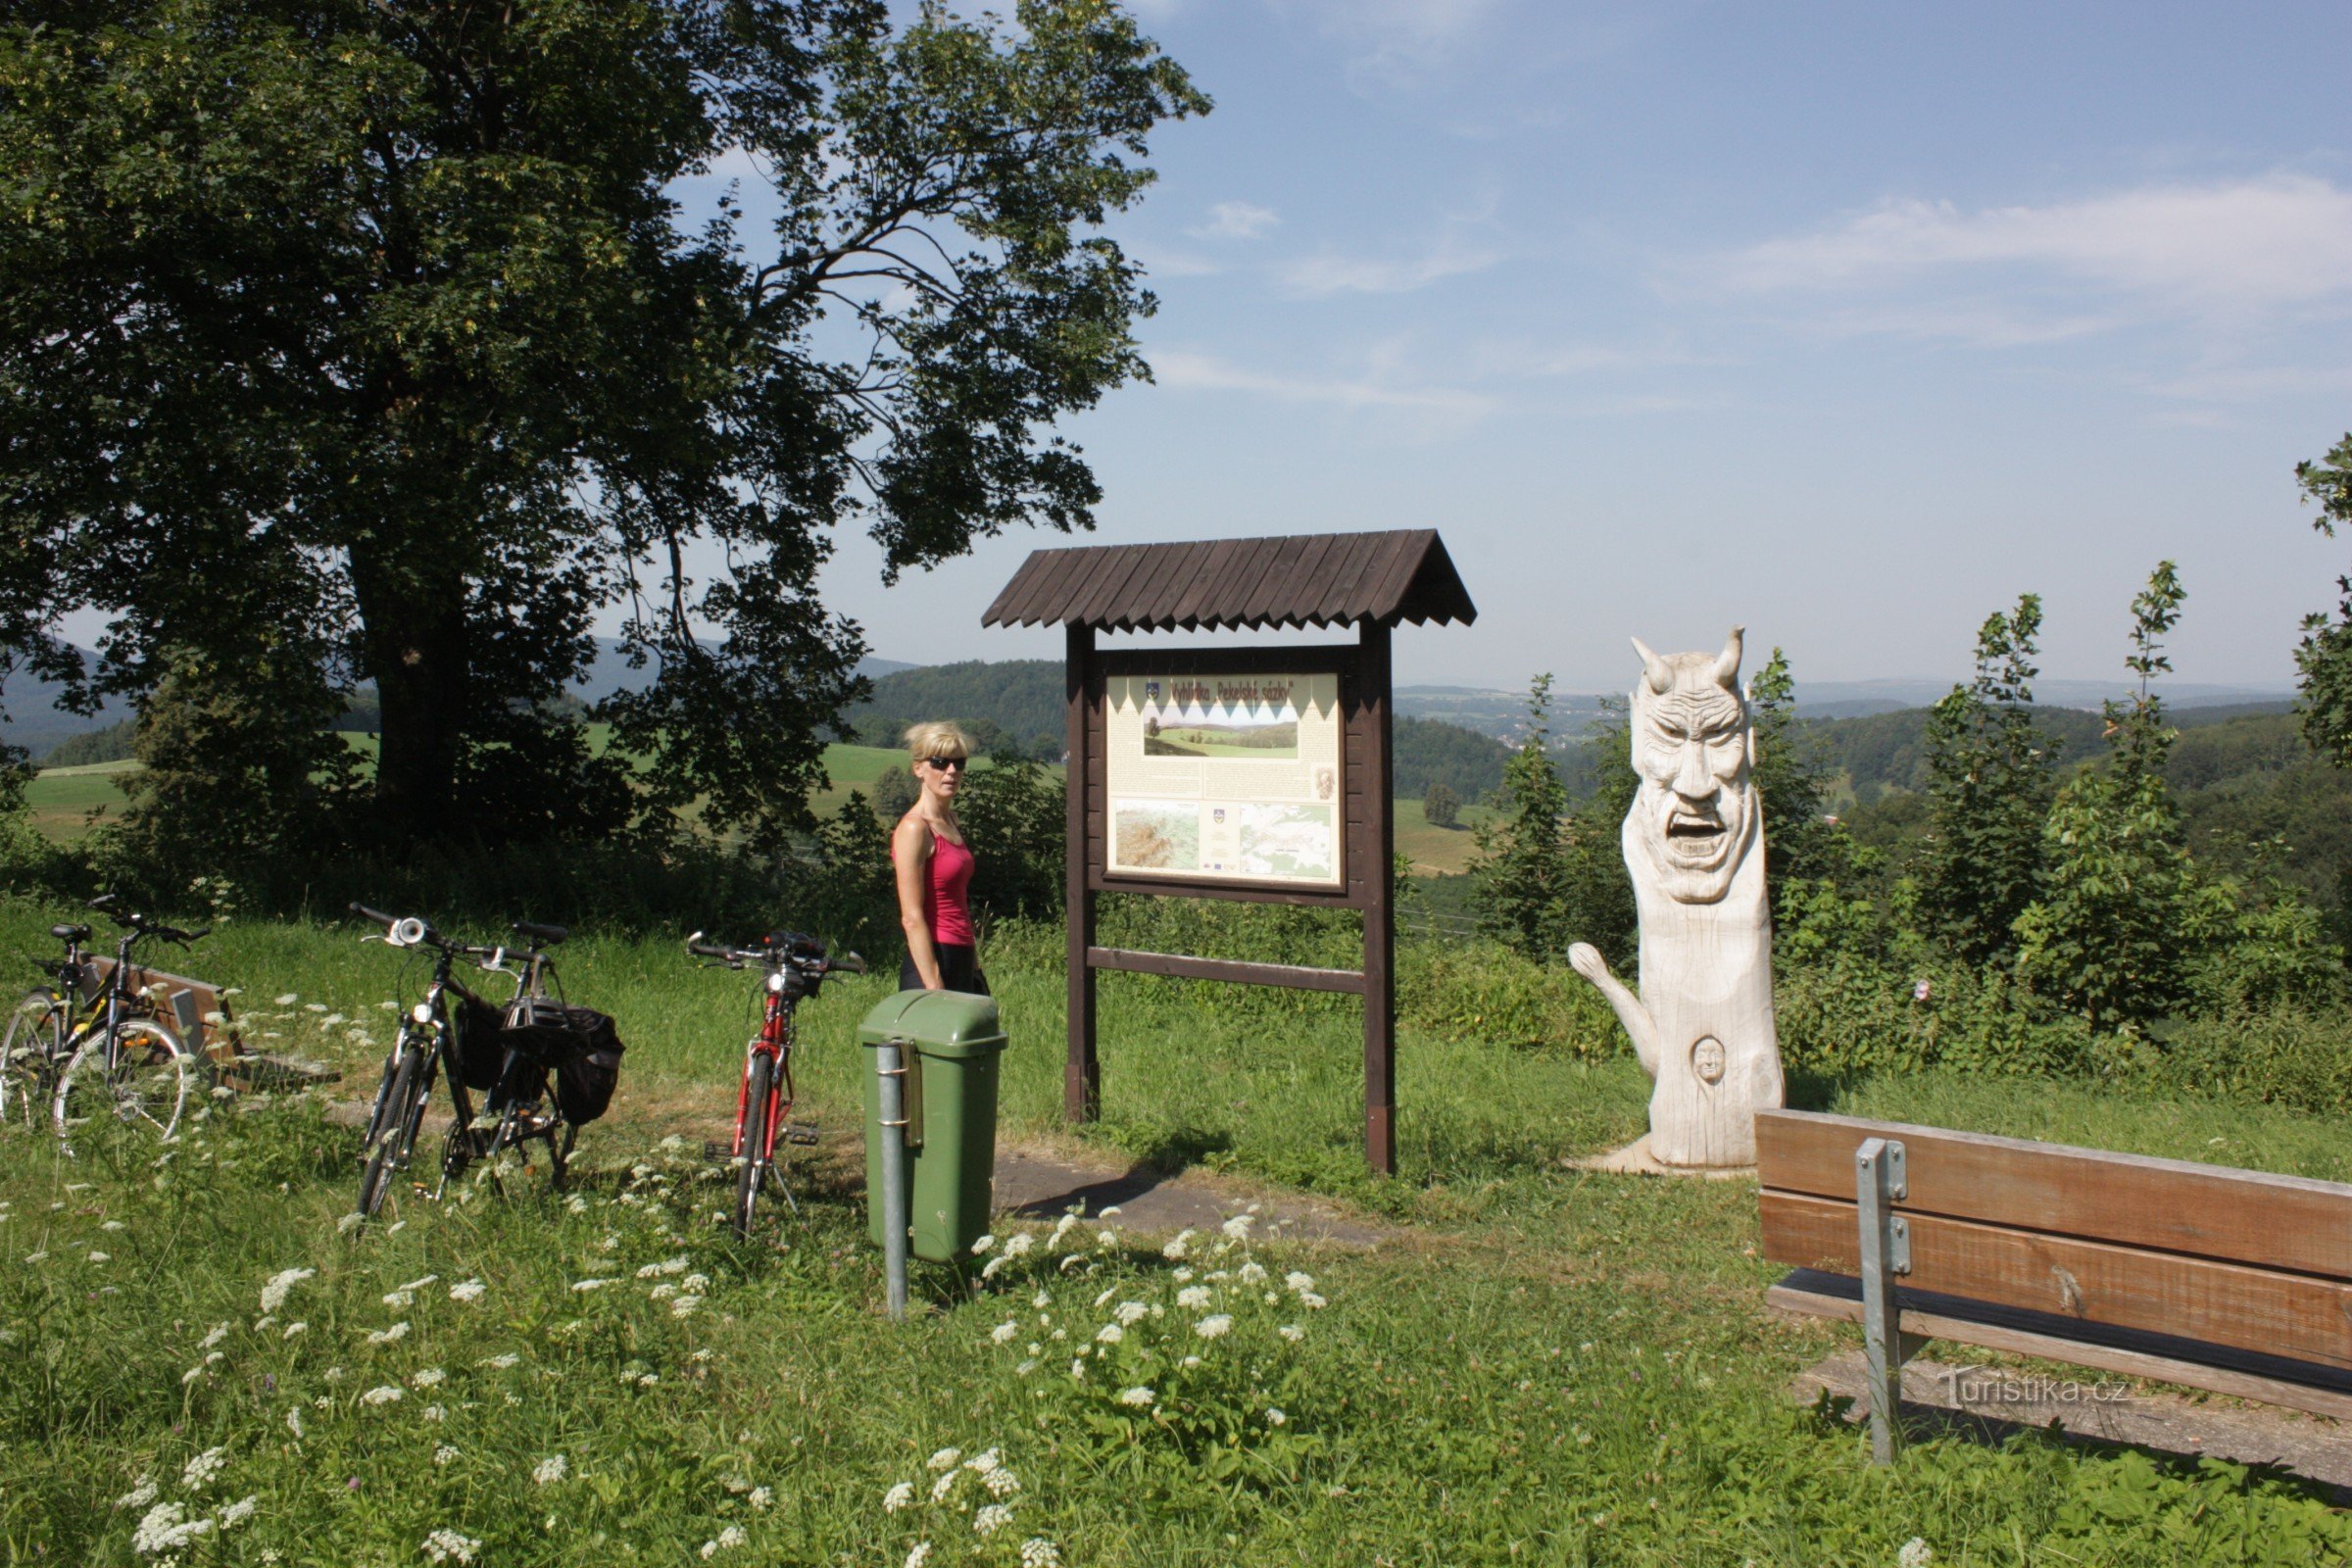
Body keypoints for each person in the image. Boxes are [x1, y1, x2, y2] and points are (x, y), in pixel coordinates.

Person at [892, 721, 988, 995]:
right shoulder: (914, 828)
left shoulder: (950, 821)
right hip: (931, 960)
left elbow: (957, 901)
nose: (952, 771)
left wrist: (974, 967)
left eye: (959, 763)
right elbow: (911, 917)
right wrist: (935, 986)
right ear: (918, 768)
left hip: (962, 955)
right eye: (940, 762)